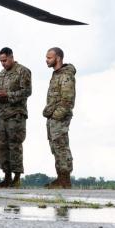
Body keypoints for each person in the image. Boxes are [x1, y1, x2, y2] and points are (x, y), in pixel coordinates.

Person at [0, 47, 32, 188]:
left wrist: (7, 95)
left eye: (5, 60)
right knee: (2, 145)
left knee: (14, 145)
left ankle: (16, 178)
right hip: (2, 114)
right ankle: (6, 176)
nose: (3, 63)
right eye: (1, 61)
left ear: (11, 57)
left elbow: (27, 91)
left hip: (16, 115)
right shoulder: (1, 74)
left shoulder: (23, 71)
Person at [42, 47, 76, 189]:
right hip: (53, 118)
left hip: (59, 118)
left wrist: (56, 117)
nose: (46, 60)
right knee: (55, 147)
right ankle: (60, 178)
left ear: (58, 58)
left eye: (49, 58)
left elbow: (67, 101)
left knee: (61, 147)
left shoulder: (66, 75)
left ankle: (65, 180)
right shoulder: (56, 74)